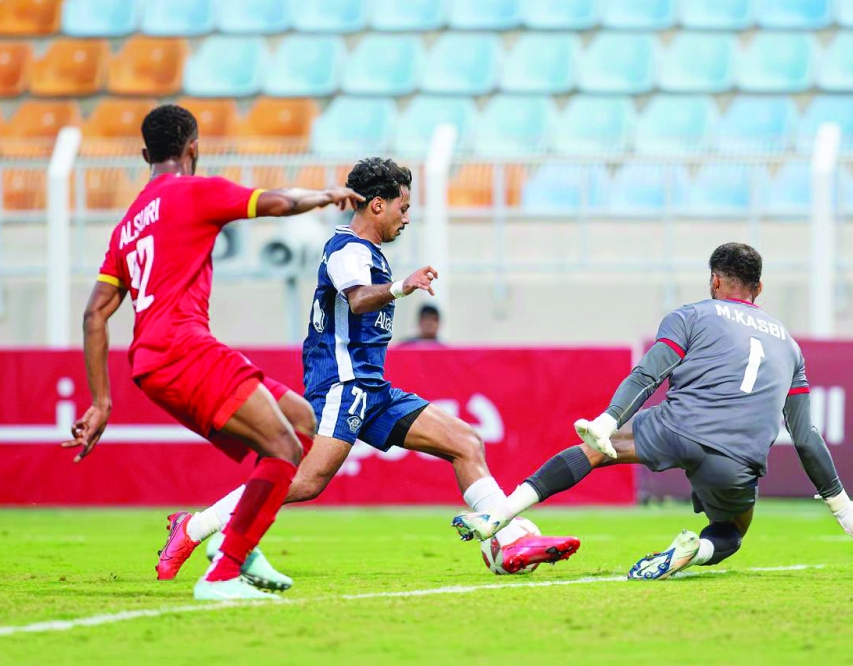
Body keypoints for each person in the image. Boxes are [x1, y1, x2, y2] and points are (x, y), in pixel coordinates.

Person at [157, 158, 580, 583]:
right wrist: (403, 286)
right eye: (403, 207)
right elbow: (358, 300)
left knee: (465, 442)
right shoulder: (347, 249)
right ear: (377, 205)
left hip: (372, 388)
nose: (407, 217)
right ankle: (194, 528)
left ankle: (505, 543)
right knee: (305, 480)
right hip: (343, 384)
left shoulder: (367, 251)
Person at [61, 104, 364, 601]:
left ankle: (235, 545)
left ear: (145, 155)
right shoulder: (194, 191)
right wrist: (327, 195)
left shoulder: (130, 223)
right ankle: (223, 573)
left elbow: (95, 313)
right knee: (285, 449)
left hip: (153, 365)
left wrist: (101, 402)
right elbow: (280, 203)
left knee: (301, 421)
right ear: (193, 149)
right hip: (185, 349)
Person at [452, 243, 853, 580]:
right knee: (732, 532)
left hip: (674, 427)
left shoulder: (693, 315)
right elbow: (804, 437)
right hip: (736, 459)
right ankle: (692, 552)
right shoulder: (789, 345)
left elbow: (647, 376)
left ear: (715, 283)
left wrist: (607, 423)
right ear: (758, 289)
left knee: (595, 452)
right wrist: (841, 505)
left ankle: (501, 515)